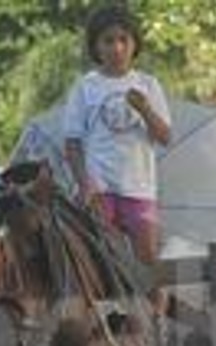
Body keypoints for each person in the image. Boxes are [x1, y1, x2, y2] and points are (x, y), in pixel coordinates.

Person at [63, 3, 172, 270]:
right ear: (96, 47)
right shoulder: (86, 87)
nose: (117, 48)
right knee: (104, 263)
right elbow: (72, 142)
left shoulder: (147, 84)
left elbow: (165, 136)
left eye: (124, 39)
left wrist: (145, 109)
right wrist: (84, 184)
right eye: (108, 41)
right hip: (99, 190)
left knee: (148, 264)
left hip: (139, 187)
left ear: (135, 44)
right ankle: (113, 311)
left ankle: (153, 312)